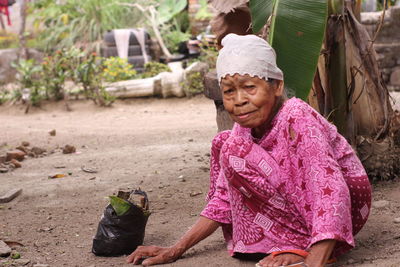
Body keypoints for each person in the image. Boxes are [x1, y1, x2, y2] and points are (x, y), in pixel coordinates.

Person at [127, 34, 372, 267]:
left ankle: (317, 246)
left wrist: (313, 261)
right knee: (225, 144)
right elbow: (222, 198)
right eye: (229, 91)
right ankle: (296, 242)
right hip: (307, 208)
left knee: (234, 149)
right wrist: (174, 250)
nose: (239, 100)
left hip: (345, 204)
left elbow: (329, 187)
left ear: (277, 86)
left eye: (249, 87)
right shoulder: (243, 129)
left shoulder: (296, 116)